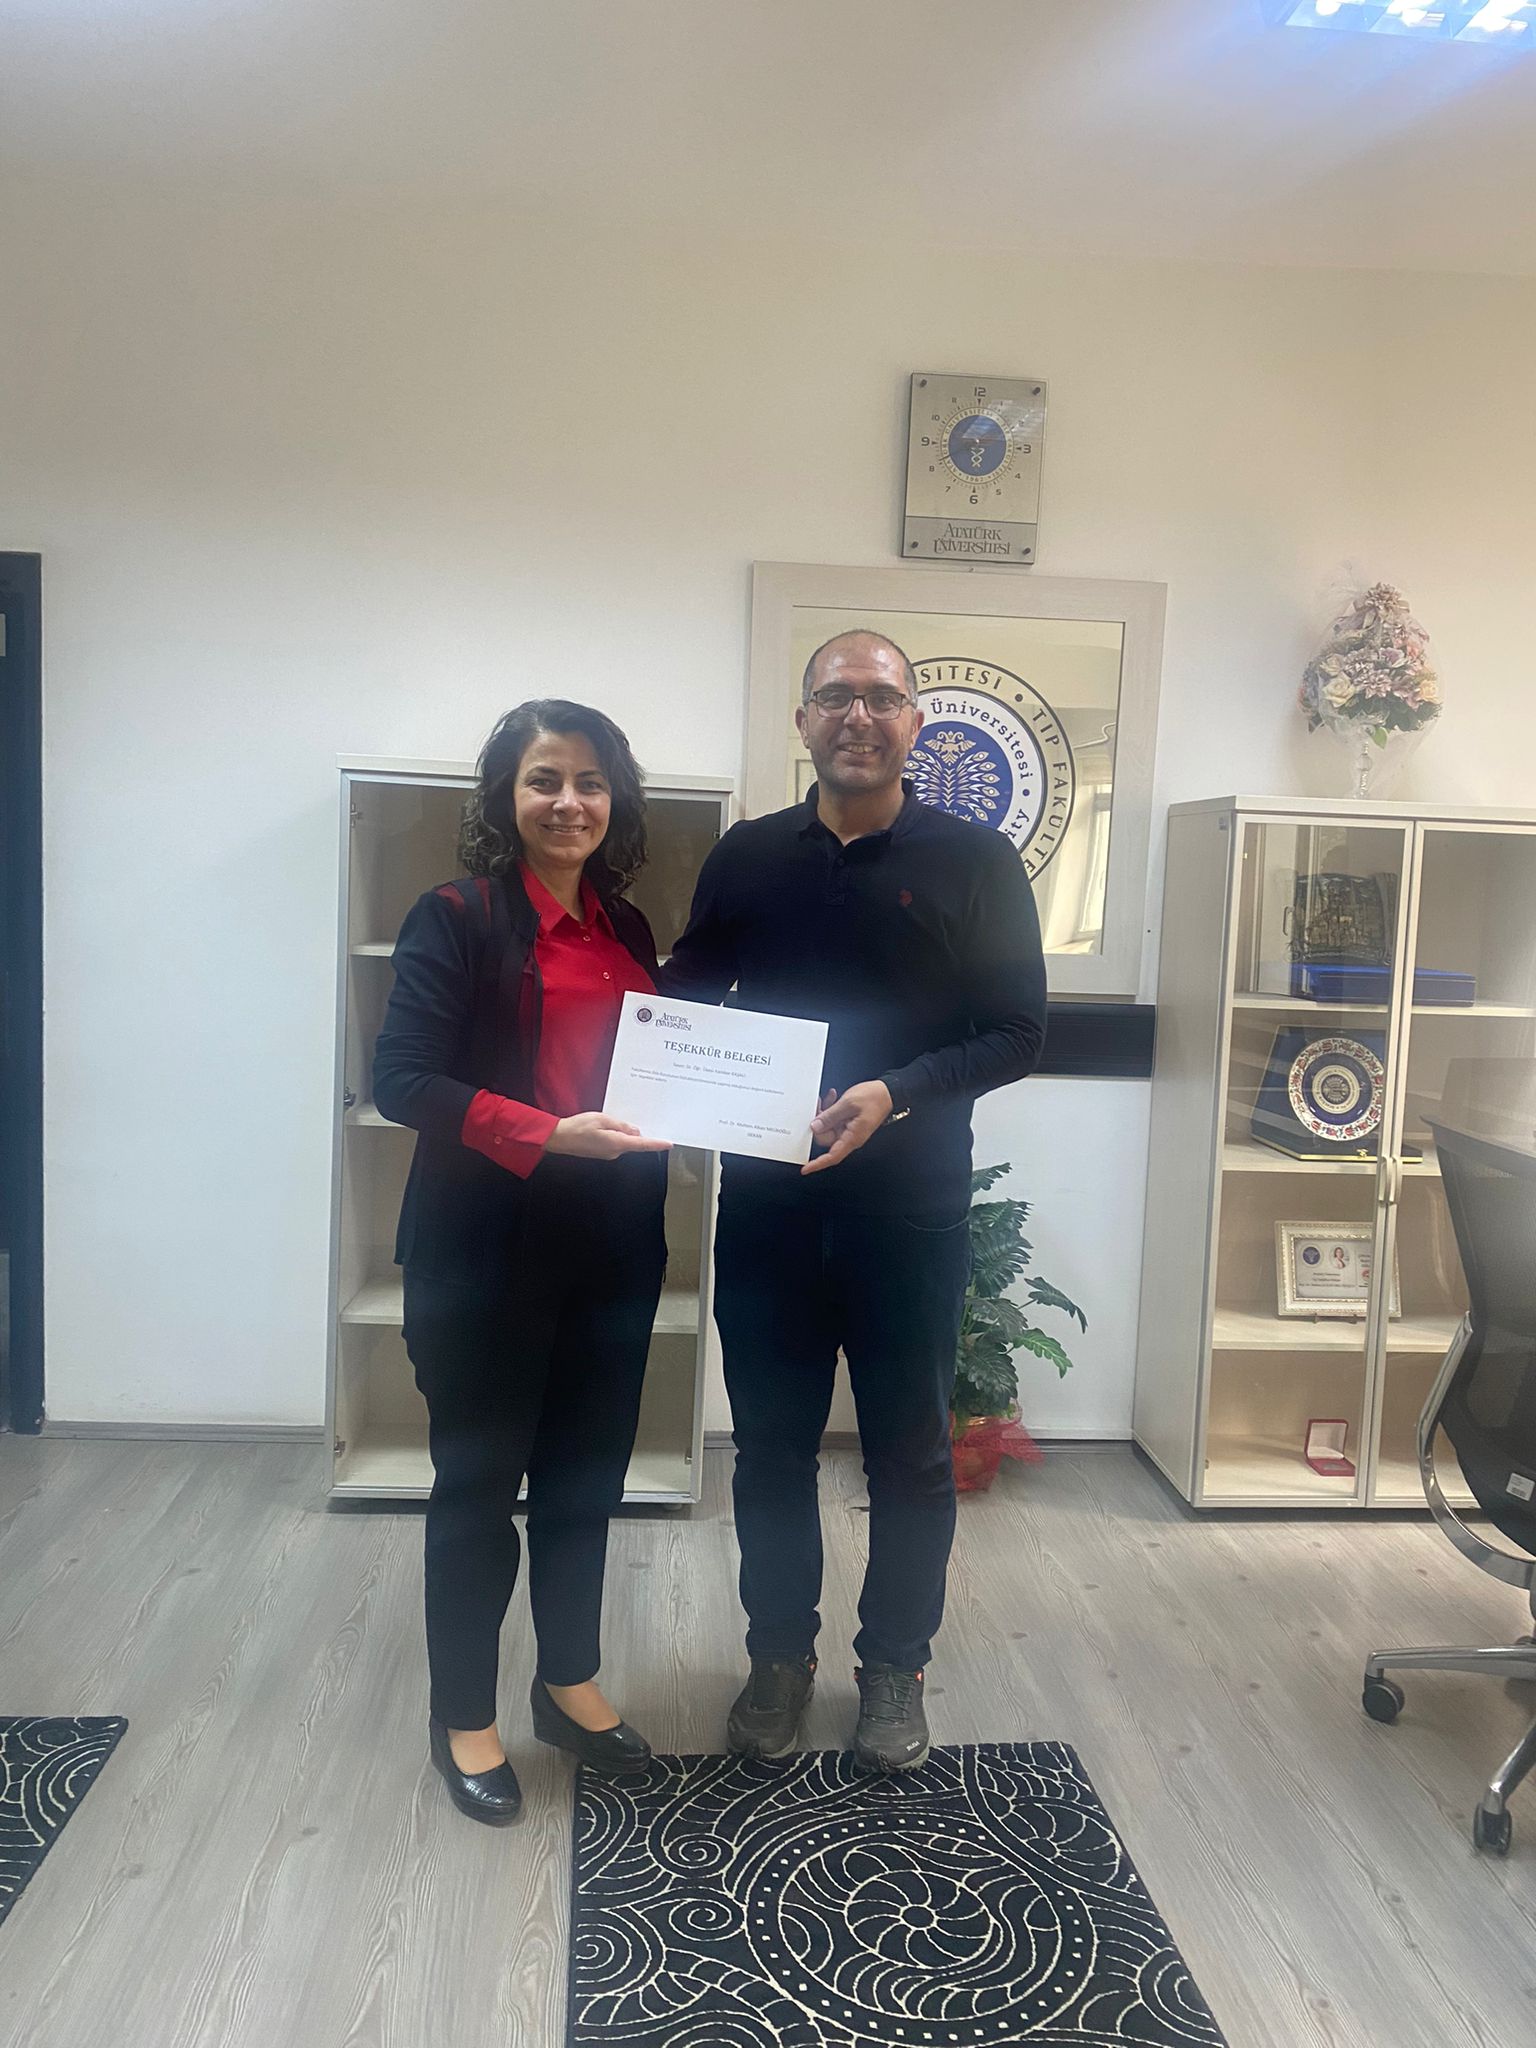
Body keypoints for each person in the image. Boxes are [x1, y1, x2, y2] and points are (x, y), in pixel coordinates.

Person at [660, 630, 1047, 1772]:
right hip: (769, 1205)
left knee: (910, 1454)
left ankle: (894, 1669)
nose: (858, 716)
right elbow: (689, 992)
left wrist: (897, 1091)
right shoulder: (747, 854)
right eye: (836, 696)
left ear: (914, 722)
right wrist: (650, 1053)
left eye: (882, 697)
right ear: (805, 721)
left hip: (911, 1210)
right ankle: (779, 1658)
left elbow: (1018, 1032)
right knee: (771, 1450)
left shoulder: (975, 861)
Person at [373, 700, 671, 1825]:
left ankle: (568, 1685)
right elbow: (402, 1080)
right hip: (484, 1249)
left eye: (590, 782)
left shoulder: (625, 924)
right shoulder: (455, 916)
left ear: (614, 799)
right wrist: (547, 1134)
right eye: (545, 779)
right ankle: (464, 1716)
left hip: (612, 1245)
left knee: (588, 1476)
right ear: (507, 796)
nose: (569, 802)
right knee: (479, 1485)